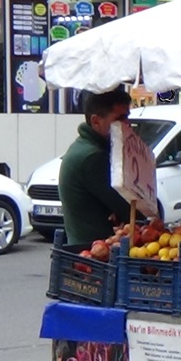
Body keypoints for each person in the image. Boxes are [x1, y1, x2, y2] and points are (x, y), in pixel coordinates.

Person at [58, 89, 134, 245]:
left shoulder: (87, 147)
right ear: (96, 121)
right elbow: (130, 209)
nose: (127, 125)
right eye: (120, 119)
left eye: (127, 117)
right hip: (94, 254)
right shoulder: (93, 157)